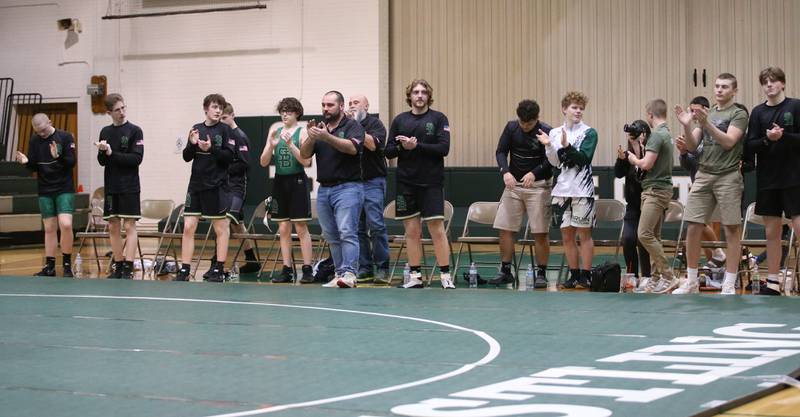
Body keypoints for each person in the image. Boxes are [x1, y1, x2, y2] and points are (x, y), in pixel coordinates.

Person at [673, 73, 749, 295]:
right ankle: (692, 280)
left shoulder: (739, 114)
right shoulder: (708, 113)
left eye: (724, 87)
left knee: (731, 228)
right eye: (717, 86)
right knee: (693, 225)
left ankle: (729, 281)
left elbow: (728, 142)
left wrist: (707, 123)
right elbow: (692, 144)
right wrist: (687, 126)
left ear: (734, 91)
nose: (719, 90)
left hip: (728, 175)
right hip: (704, 173)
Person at [385, 79, 455, 289]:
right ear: (410, 96)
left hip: (431, 183)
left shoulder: (438, 118)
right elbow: (388, 151)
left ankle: (445, 276)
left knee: (437, 230)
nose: (419, 95)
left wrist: (416, 146)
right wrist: (402, 148)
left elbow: (444, 148)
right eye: (415, 92)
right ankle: (415, 276)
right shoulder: (399, 120)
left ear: (428, 96)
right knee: (412, 232)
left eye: (423, 92)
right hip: (406, 183)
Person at [300, 91, 365, 288]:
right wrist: (312, 137)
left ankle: (350, 273)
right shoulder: (320, 129)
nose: (326, 109)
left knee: (347, 232)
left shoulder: (353, 126)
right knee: (331, 234)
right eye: (323, 105)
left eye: (330, 105)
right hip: (324, 189)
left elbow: (352, 148)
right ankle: (338, 274)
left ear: (341, 106)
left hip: (348, 188)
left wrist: (326, 137)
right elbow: (304, 155)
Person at [745, 66, 800, 295]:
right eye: (765, 82)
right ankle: (774, 281)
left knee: (798, 227)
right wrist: (768, 139)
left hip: (794, 177)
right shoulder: (758, 112)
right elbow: (750, 144)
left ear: (783, 84)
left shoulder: (795, 106)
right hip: (768, 179)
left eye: (774, 81)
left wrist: (783, 136)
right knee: (772, 233)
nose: (769, 85)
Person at [491, 99, 553, 288]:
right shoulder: (511, 128)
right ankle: (505, 270)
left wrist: (534, 173)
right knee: (505, 228)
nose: (525, 126)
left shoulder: (546, 131)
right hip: (513, 186)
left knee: (540, 231)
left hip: (538, 186)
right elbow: (500, 152)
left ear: (537, 119)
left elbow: (551, 160)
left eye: (529, 123)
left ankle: (541, 273)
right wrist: (505, 172)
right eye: (522, 122)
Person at [539, 91, 598, 289]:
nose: (578, 111)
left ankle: (586, 275)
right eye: (574, 107)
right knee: (566, 235)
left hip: (582, 191)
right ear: (564, 109)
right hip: (561, 190)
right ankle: (573, 275)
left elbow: (584, 159)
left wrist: (567, 146)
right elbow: (555, 162)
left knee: (585, 235)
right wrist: (549, 146)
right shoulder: (555, 132)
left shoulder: (589, 132)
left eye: (581, 108)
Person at [177, 93, 236, 282]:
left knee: (220, 228)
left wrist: (211, 149)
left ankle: (219, 268)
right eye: (214, 107)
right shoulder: (196, 129)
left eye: (220, 107)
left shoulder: (225, 131)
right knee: (188, 226)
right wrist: (193, 145)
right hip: (196, 186)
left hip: (217, 185)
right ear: (205, 109)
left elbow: (229, 157)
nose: (218, 111)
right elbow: (186, 157)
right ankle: (185, 269)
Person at [260, 97, 315, 284]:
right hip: (280, 182)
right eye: (282, 111)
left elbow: (307, 162)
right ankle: (286, 269)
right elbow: (263, 162)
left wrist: (291, 145)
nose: (285, 114)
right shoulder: (274, 131)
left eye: (289, 111)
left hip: (297, 181)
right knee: (283, 228)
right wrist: (271, 146)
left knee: (300, 227)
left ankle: (307, 269)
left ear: (297, 113)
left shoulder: (302, 132)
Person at [623, 99, 675, 293]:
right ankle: (655, 277)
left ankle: (669, 275)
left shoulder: (657, 135)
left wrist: (633, 158)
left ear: (650, 115)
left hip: (655, 190)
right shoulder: (667, 134)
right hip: (660, 189)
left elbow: (646, 165)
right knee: (655, 236)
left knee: (643, 234)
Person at [16, 113, 76, 277]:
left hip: (64, 187)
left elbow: (72, 162)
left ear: (50, 122)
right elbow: (34, 166)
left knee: (65, 224)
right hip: (45, 188)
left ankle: (66, 264)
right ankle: (49, 266)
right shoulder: (35, 140)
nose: (41, 134)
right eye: (38, 132)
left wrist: (59, 156)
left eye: (43, 130)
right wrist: (26, 163)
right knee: (49, 228)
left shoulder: (65, 137)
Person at [675, 96, 727, 271]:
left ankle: (723, 261)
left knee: (715, 226)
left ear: (706, 109)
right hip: (699, 182)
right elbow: (688, 163)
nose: (692, 114)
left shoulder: (714, 128)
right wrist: (683, 153)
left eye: (695, 110)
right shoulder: (694, 131)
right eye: (690, 111)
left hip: (719, 182)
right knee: (698, 223)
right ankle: (715, 263)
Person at [95, 94, 144, 279]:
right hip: (111, 186)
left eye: (124, 108)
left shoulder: (135, 131)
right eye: (117, 110)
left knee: (129, 225)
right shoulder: (105, 132)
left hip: (129, 186)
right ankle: (118, 263)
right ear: (109, 112)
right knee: (113, 226)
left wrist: (111, 153)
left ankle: (129, 266)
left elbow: (136, 159)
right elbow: (102, 161)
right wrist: (102, 151)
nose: (122, 112)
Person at [348, 94, 391, 285]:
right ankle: (365, 268)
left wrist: (355, 127)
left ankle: (382, 267)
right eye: (349, 104)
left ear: (366, 105)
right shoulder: (345, 125)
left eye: (356, 103)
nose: (352, 106)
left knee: (376, 225)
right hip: (353, 183)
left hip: (373, 181)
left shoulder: (376, 124)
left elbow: (373, 145)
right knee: (357, 228)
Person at [215, 102, 261, 275]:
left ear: (232, 115)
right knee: (237, 225)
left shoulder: (239, 136)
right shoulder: (222, 135)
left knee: (223, 223)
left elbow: (244, 163)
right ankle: (252, 260)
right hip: (223, 186)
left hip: (236, 187)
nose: (222, 121)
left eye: (224, 118)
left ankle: (216, 263)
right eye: (220, 118)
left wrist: (222, 169)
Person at [613, 120, 651, 286]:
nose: (632, 138)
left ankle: (647, 277)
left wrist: (641, 150)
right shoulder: (627, 154)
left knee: (643, 239)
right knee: (628, 238)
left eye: (636, 135)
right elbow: (618, 174)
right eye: (631, 136)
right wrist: (621, 160)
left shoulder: (651, 152)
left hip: (650, 204)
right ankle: (631, 275)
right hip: (633, 205)